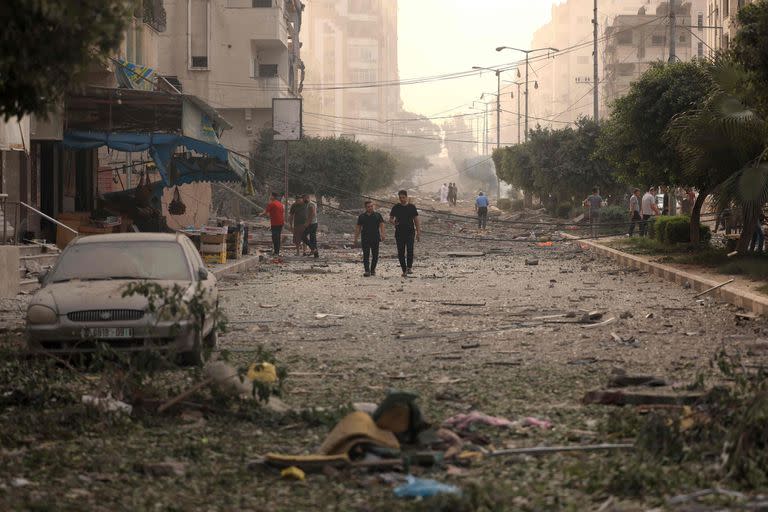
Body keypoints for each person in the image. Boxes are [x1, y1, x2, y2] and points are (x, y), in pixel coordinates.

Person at [390, 190, 421, 277]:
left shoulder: (412, 207)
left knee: (410, 250)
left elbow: (416, 220)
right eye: (400, 198)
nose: (402, 199)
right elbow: (390, 219)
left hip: (410, 232)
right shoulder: (396, 207)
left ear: (406, 197)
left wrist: (418, 233)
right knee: (401, 252)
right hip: (399, 233)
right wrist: (394, 223)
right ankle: (404, 270)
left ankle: (409, 267)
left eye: (403, 197)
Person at [354, 200, 386, 276]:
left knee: (375, 255)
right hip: (365, 238)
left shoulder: (377, 215)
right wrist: (355, 238)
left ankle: (372, 270)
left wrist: (383, 234)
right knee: (366, 255)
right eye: (369, 207)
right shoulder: (362, 216)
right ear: (365, 207)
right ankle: (367, 271)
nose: (370, 208)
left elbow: (382, 225)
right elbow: (358, 228)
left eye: (371, 206)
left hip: (375, 238)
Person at [263, 192, 285, 256]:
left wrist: (260, 214)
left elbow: (265, 212)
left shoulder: (272, 204)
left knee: (275, 238)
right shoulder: (280, 204)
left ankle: (276, 252)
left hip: (275, 223)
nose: (270, 197)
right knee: (277, 237)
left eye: (270, 195)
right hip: (280, 223)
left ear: (273, 196)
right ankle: (277, 251)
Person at [301, 193, 319, 258]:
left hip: (312, 224)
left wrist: (307, 223)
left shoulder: (311, 204)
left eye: (303, 198)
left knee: (303, 236)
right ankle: (316, 254)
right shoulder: (310, 204)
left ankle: (313, 249)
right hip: (314, 223)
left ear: (307, 197)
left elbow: (312, 214)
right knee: (313, 239)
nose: (303, 200)